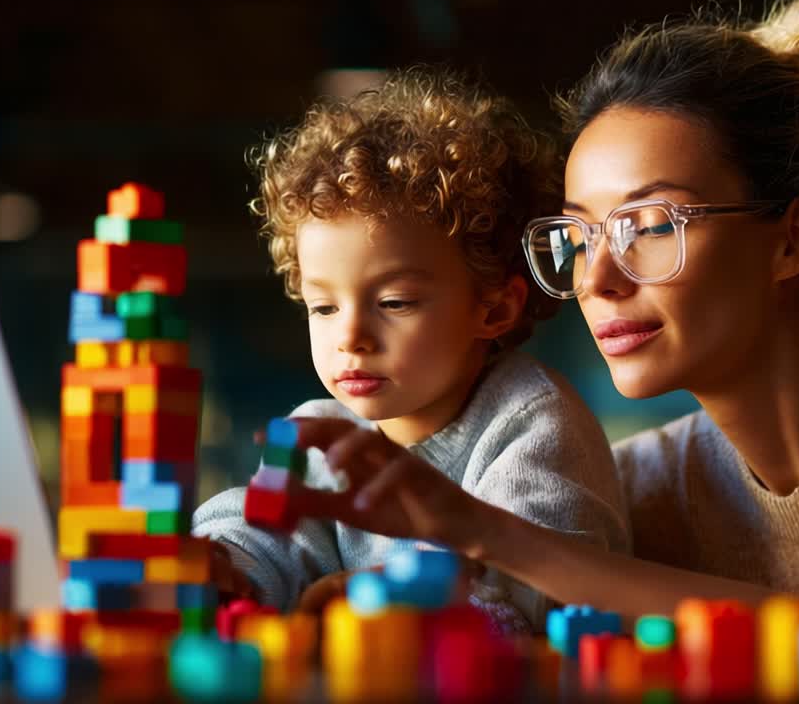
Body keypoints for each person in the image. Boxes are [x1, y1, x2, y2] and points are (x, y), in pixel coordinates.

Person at [292, 0, 799, 628]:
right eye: (581, 237)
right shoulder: (631, 494)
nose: (598, 279)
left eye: (650, 227)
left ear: (792, 240)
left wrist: (494, 536)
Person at [191, 68, 629, 631]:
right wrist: (225, 565)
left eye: (394, 302)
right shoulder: (318, 432)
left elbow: (524, 599)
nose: (350, 337)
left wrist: (373, 605)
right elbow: (261, 530)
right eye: (323, 307)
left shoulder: (534, 426)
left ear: (494, 308)